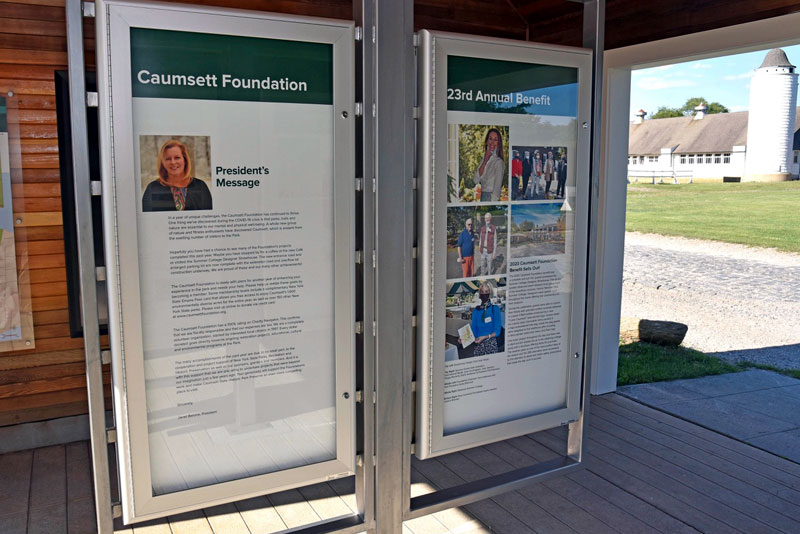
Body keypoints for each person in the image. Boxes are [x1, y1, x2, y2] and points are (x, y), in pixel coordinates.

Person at [142, 139, 212, 212]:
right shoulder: (152, 189)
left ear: (184, 160)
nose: (173, 162)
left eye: (177, 158)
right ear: (163, 163)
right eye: (168, 159)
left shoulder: (200, 186)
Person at [464, 282, 503, 357]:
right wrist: (464, 339)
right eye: (482, 292)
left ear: (490, 293)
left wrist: (485, 337)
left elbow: (497, 331)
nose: (484, 294)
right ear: (479, 294)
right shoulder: (476, 310)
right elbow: (474, 329)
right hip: (479, 345)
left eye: (486, 291)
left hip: (491, 344)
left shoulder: (495, 309)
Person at [473, 128, 505, 202]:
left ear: (498, 143)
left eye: (495, 139)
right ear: (487, 141)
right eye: (490, 139)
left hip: (491, 198)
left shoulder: (499, 162)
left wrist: (492, 205)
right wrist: (485, 160)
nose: (492, 142)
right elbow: (475, 180)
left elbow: (497, 188)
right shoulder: (484, 159)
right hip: (483, 196)